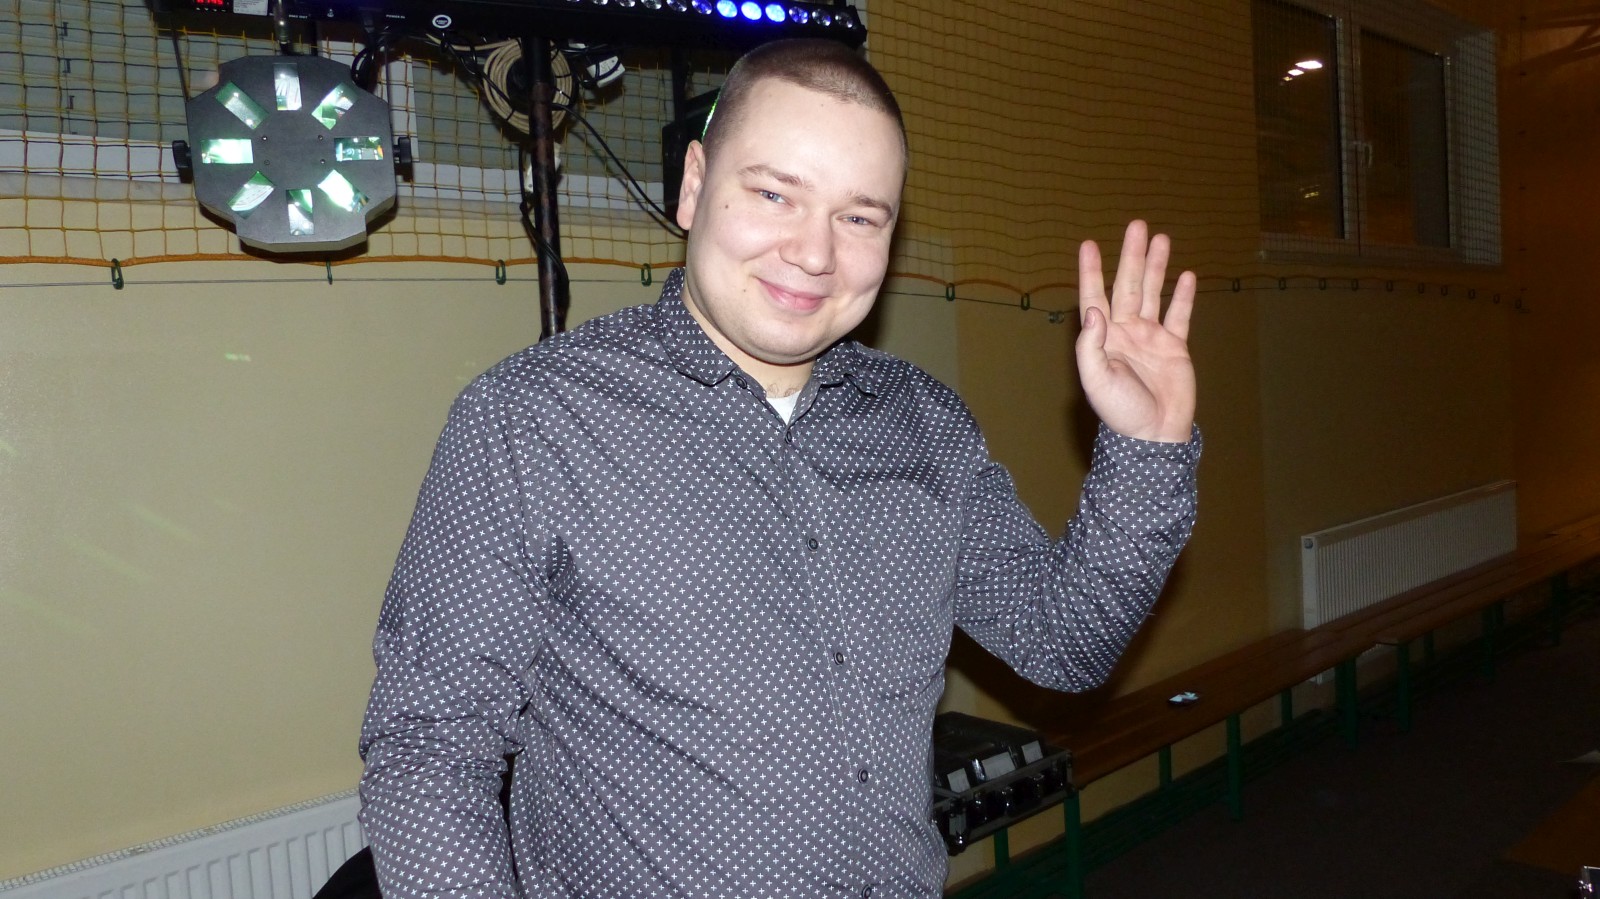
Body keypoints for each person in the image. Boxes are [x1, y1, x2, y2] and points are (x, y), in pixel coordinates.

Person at [358, 38, 1199, 899]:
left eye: (860, 217)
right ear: (694, 185)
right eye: (774, 194)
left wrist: (1148, 448)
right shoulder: (533, 419)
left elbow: (1063, 642)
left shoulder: (929, 427)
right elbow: (428, 748)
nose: (814, 252)